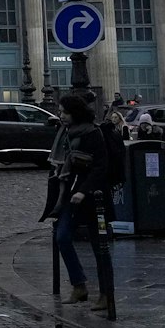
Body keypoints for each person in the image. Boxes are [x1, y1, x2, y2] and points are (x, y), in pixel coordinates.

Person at [46, 95, 113, 311]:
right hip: (69, 195)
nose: (60, 115)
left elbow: (102, 166)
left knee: (99, 247)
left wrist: (84, 191)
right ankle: (79, 285)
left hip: (92, 198)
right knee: (62, 237)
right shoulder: (65, 133)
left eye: (64, 112)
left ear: (75, 113)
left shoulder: (93, 133)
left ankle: (105, 294)